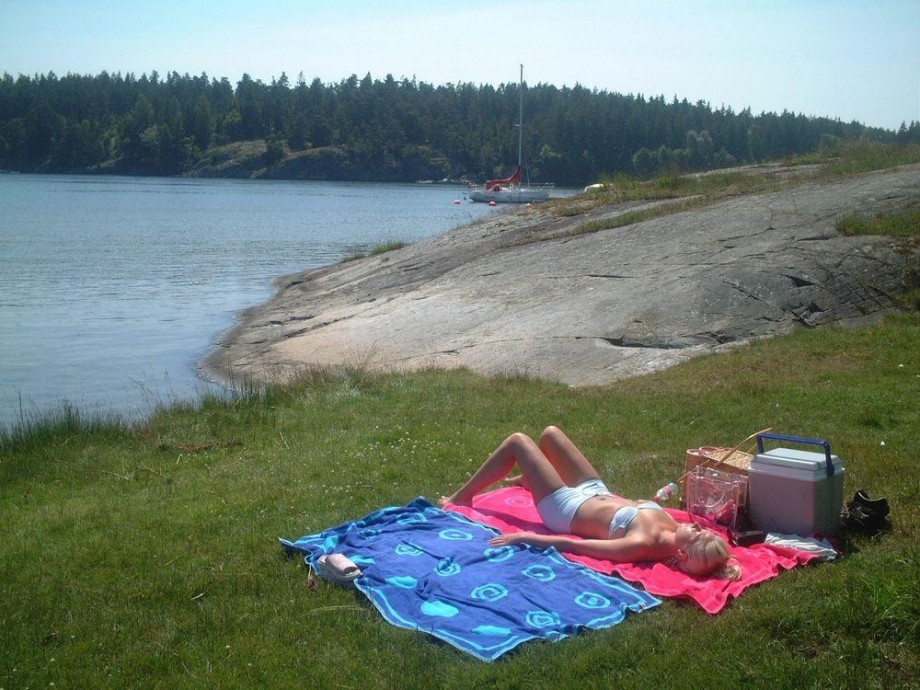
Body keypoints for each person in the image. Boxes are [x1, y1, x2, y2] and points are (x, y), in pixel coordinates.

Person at [440, 426, 741, 580]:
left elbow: (579, 547)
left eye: (699, 536)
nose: (700, 528)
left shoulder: (641, 544)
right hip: (594, 489)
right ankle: (531, 479)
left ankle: (462, 496)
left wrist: (525, 537)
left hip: (564, 507)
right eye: (705, 531)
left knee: (518, 441)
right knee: (550, 435)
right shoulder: (674, 527)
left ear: (683, 555)